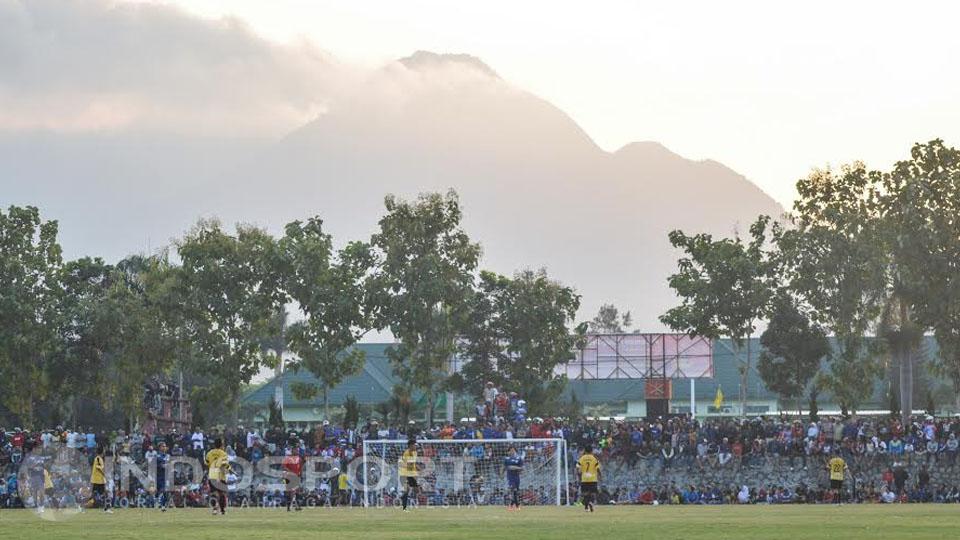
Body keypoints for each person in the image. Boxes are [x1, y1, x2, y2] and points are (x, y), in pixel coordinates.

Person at [205, 438, 230, 515]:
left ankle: (214, 509)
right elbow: (224, 465)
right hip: (221, 476)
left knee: (213, 493)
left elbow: (206, 464)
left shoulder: (209, 453)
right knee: (222, 493)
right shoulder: (223, 454)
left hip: (212, 475)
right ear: (221, 445)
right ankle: (222, 510)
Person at [577, 444, 601, 512]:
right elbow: (598, 468)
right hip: (592, 478)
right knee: (593, 493)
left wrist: (579, 476)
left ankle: (586, 508)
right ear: (591, 451)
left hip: (584, 478)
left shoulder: (582, 458)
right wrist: (600, 475)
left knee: (585, 493)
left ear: (585, 450)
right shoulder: (594, 458)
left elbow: (578, 467)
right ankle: (591, 502)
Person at [399, 439, 418, 511]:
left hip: (411, 474)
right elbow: (409, 466)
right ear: (410, 446)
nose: (416, 447)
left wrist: (417, 468)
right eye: (414, 445)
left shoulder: (415, 452)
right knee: (407, 489)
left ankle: (403, 497)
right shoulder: (406, 453)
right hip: (405, 473)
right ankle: (404, 508)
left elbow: (413, 464)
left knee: (416, 490)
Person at [91, 446, 112, 513]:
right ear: (102, 451)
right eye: (104, 450)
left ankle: (81, 506)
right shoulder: (98, 459)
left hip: (97, 479)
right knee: (105, 493)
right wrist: (104, 475)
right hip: (98, 480)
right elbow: (99, 468)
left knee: (94, 494)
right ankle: (107, 508)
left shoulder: (99, 458)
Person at [155, 442, 170, 511]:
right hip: (158, 476)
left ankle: (163, 506)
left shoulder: (167, 456)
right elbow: (159, 465)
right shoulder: (157, 456)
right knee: (158, 491)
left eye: (165, 446)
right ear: (160, 447)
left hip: (165, 476)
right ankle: (157, 501)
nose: (164, 447)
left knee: (165, 491)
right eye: (163, 446)